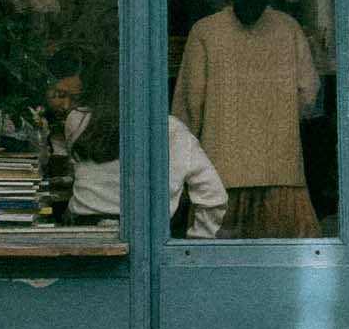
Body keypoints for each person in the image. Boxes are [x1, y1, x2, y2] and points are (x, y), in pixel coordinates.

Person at [172, 0, 324, 239]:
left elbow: (187, 111)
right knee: (285, 278)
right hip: (284, 180)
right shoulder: (289, 28)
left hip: (219, 181)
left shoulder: (205, 31)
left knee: (223, 277)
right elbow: (309, 95)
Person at [64, 52, 228, 239]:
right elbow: (214, 196)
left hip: (83, 237)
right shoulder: (170, 129)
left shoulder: (76, 121)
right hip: (147, 239)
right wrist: (197, 242)